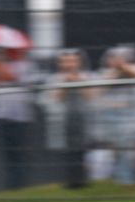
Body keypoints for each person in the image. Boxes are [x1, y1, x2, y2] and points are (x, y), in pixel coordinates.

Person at [94, 45, 135, 185]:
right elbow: (97, 92)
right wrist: (116, 72)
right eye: (115, 58)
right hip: (113, 122)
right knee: (119, 152)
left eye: (123, 58)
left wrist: (124, 67)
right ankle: (123, 180)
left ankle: (131, 180)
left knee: (134, 152)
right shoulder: (105, 73)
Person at [0, 48, 37, 190]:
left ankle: (21, 186)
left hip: (20, 119)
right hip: (0, 116)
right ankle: (5, 187)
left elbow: (11, 77)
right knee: (3, 155)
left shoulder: (26, 65)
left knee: (19, 155)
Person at [40, 49, 95, 189]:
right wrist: (65, 83)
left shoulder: (87, 77)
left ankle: (82, 180)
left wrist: (79, 82)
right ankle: (70, 180)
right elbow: (56, 99)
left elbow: (91, 97)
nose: (70, 64)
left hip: (82, 118)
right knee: (68, 150)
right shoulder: (54, 79)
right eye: (66, 61)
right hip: (63, 119)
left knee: (82, 149)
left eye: (73, 61)